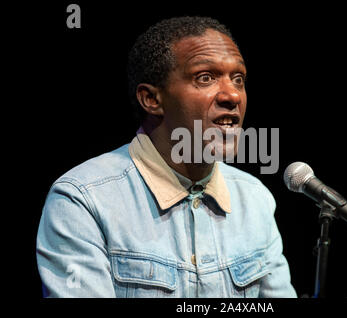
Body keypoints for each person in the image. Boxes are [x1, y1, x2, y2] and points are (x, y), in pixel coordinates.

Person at [36, 16, 297, 298]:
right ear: (151, 99)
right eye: (205, 77)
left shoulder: (255, 198)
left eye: (239, 79)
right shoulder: (83, 200)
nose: (232, 95)